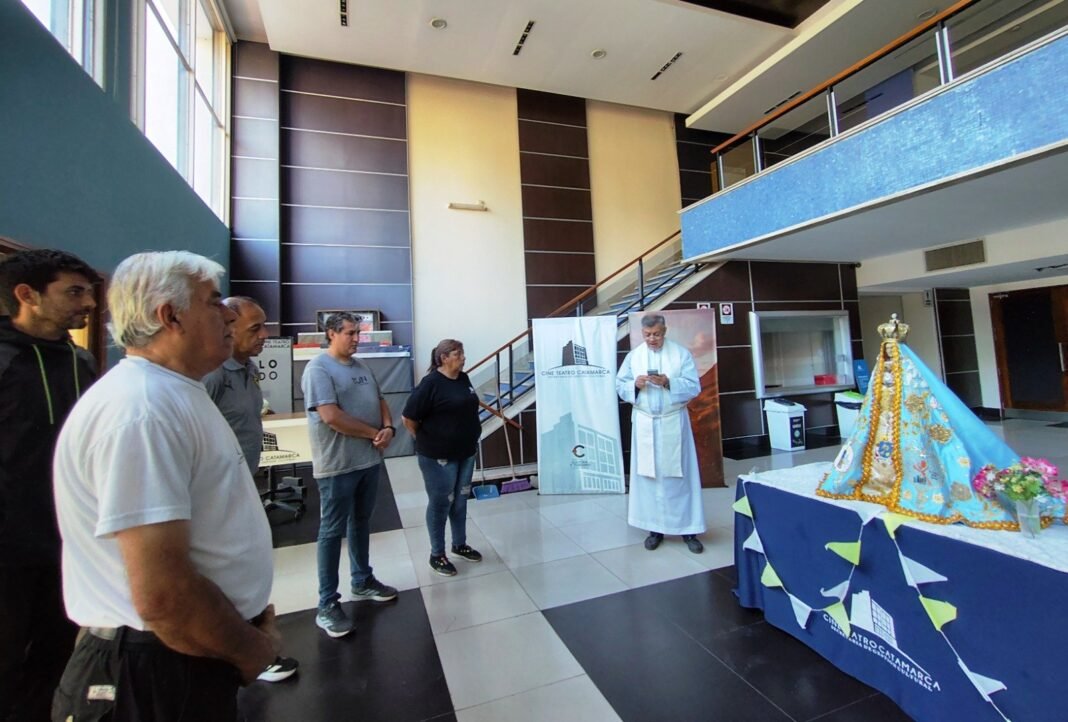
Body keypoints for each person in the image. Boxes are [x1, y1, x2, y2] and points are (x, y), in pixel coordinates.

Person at [51, 251, 280, 722]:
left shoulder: (173, 392)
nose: (228, 315)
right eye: (214, 302)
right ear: (169, 315)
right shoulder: (143, 411)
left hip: (184, 654)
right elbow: (163, 595)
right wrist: (251, 649)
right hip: (150, 671)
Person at [0, 249, 99, 722]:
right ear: (27, 295)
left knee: (58, 653)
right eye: (74, 292)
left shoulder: (81, 362)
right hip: (8, 546)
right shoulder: (4, 361)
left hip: (69, 542)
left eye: (89, 291)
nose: (89, 304)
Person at [203, 296, 298, 683]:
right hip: (216, 495)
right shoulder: (213, 375)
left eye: (264, 327)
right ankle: (238, 653)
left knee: (246, 572)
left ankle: (249, 642)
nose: (265, 335)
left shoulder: (248, 369)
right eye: (255, 328)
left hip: (243, 483)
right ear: (228, 328)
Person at [302, 311, 397, 639]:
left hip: (367, 462)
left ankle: (362, 580)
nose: (357, 339)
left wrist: (387, 427)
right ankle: (327, 603)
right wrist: (374, 433)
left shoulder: (361, 366)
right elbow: (331, 417)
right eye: (351, 333)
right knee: (331, 532)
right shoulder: (318, 369)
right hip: (337, 466)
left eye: (359, 333)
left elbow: (380, 398)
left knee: (361, 523)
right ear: (331, 333)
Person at [616, 313, 706, 554]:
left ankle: (689, 530)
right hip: (645, 423)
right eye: (647, 335)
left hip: (672, 422)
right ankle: (654, 529)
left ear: (664, 331)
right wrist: (634, 385)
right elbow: (620, 384)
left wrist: (668, 382)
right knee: (649, 477)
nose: (652, 339)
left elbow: (694, 386)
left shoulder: (680, 354)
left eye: (656, 334)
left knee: (678, 477)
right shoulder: (635, 356)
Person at [402, 339, 483, 577]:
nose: (463, 357)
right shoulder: (430, 384)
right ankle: (436, 555)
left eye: (463, 352)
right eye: (458, 354)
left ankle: (459, 544)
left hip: (466, 451)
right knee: (440, 503)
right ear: (443, 358)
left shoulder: (464, 379)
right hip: (438, 457)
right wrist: (430, 440)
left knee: (460, 501)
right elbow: (408, 418)